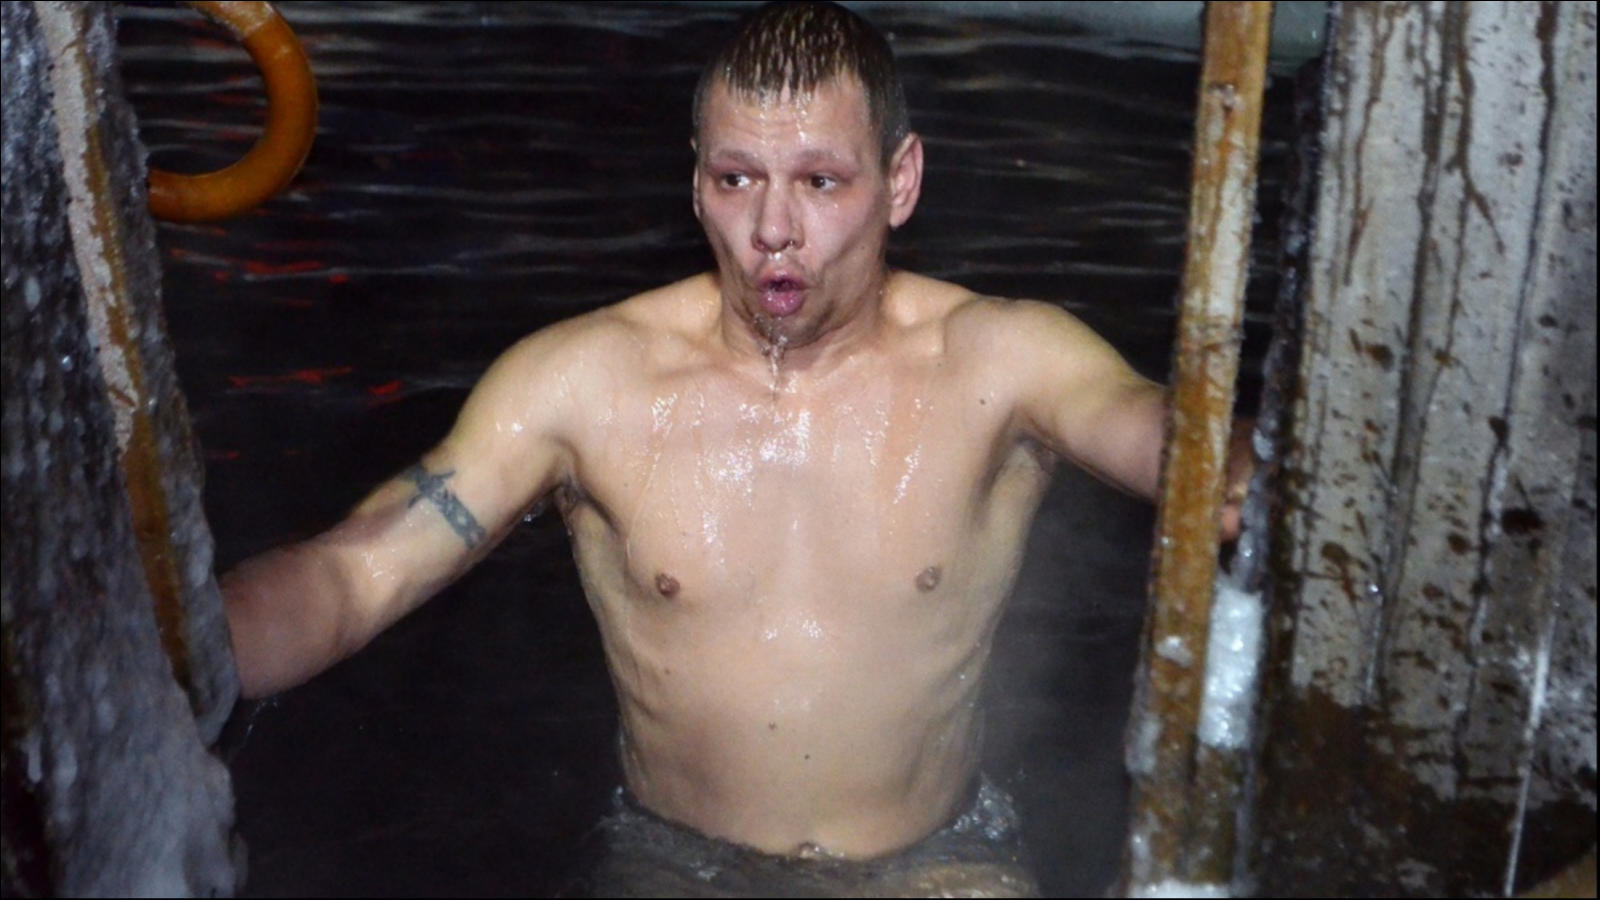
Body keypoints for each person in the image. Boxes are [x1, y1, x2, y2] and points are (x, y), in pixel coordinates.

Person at [221, 2, 1250, 896]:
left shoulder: (1000, 364)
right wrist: (178, 656)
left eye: (820, 181)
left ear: (899, 181)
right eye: (735, 177)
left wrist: (1250, 475)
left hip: (940, 869)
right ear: (696, 182)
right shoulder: (583, 385)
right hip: (677, 872)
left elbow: (1176, 445)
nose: (772, 228)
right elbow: (354, 577)